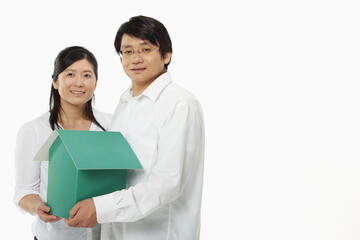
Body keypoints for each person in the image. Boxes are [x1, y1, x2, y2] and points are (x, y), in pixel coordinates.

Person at [65, 16, 205, 240]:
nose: (135, 58)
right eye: (127, 51)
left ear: (166, 55)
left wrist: (100, 208)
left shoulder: (179, 105)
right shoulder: (125, 102)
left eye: (145, 49)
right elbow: (116, 174)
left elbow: (167, 185)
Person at [13, 46, 111, 240]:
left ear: (96, 83)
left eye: (86, 75)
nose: (79, 82)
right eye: (70, 74)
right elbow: (24, 190)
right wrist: (37, 207)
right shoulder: (35, 130)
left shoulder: (111, 125)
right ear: (55, 82)